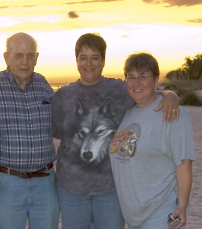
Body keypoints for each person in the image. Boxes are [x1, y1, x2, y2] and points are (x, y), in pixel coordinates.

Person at [51, 33, 179, 229]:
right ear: (76, 60)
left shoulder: (118, 90)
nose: (89, 63)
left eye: (95, 57)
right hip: (71, 189)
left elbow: (148, 93)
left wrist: (170, 95)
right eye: (83, 58)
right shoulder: (63, 96)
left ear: (103, 60)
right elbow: (57, 132)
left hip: (111, 188)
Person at [0, 32, 59, 229]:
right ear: (6, 57)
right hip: (6, 184)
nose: (25, 61)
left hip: (45, 183)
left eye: (30, 55)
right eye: (18, 55)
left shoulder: (44, 85)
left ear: (37, 58)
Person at [108, 52, 195, 229]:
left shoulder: (172, 114)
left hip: (161, 212)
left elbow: (184, 163)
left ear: (156, 79)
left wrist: (182, 206)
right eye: (131, 77)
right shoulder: (128, 113)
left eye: (143, 77)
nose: (136, 83)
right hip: (133, 216)